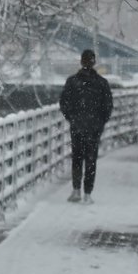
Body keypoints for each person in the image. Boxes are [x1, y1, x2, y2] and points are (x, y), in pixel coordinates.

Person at [59, 49, 113, 204]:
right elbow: (108, 106)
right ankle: (88, 193)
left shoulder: (72, 82)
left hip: (77, 126)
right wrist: (100, 122)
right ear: (94, 62)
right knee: (91, 160)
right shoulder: (102, 83)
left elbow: (64, 103)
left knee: (77, 158)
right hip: (94, 127)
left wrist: (72, 118)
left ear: (81, 61)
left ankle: (76, 190)